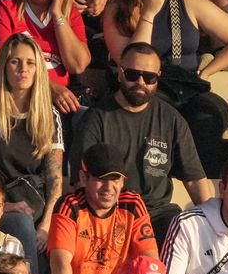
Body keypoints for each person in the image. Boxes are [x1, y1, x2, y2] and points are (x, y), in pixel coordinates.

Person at [102, 0, 228, 179]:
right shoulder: (118, 9)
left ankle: (204, 186)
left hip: (183, 86)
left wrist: (208, 70)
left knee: (208, 114)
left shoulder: (188, 2)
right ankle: (154, 185)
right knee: (155, 116)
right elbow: (132, 63)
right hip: (141, 89)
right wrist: (148, 14)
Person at [70, 43, 215, 236]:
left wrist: (212, 225)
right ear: (120, 72)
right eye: (132, 74)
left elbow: (194, 179)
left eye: (149, 77)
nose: (140, 82)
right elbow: (80, 182)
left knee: (182, 232)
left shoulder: (171, 119)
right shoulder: (95, 119)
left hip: (158, 214)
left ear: (158, 77)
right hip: (110, 212)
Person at [0, 34, 66, 270]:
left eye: (30, 63)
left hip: (36, 206)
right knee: (21, 223)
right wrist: (7, 207)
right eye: (15, 62)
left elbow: (55, 179)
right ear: (4, 66)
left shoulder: (50, 115)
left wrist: (46, 226)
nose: (23, 69)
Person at [46, 144, 160, 274]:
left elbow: (150, 262)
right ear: (84, 178)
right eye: (101, 179)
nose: (108, 187)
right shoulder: (70, 206)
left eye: (115, 179)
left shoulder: (132, 204)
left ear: (122, 181)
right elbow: (59, 263)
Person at [0, 0, 91, 115]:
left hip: (62, 103)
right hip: (20, 99)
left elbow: (77, 65)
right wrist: (49, 87)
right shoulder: (6, 9)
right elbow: (4, 65)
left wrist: (57, 15)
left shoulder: (69, 13)